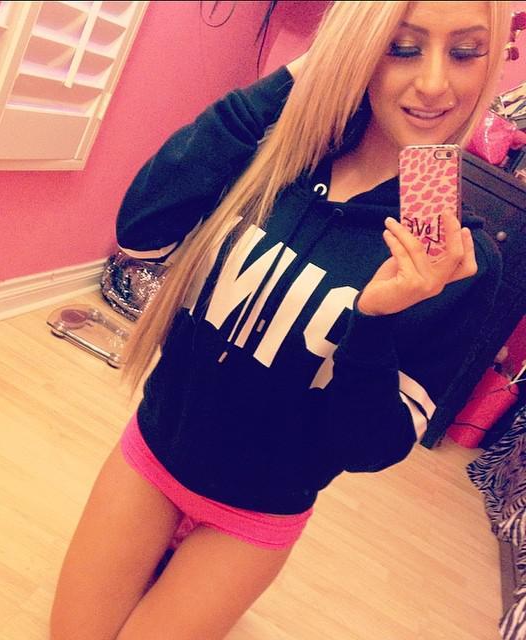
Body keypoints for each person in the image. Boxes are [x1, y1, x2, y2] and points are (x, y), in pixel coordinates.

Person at [50, 2, 511, 639]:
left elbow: (370, 447)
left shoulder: (458, 259)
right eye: (403, 47)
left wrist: (373, 324)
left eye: (464, 52)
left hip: (253, 517)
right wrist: (302, 75)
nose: (434, 83)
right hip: (151, 456)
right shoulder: (273, 152)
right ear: (358, 47)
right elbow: (141, 233)